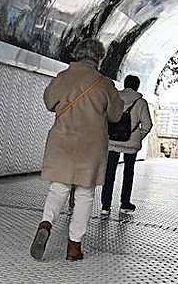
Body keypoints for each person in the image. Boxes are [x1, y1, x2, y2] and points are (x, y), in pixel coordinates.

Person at [31, 39, 124, 261]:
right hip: (91, 145)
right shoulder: (104, 84)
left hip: (62, 141)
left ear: (76, 54)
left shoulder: (63, 77)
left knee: (58, 188)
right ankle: (74, 246)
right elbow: (115, 115)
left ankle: (46, 223)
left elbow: (49, 102)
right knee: (84, 194)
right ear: (99, 58)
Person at [102, 74, 153, 214]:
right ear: (137, 86)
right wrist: (137, 137)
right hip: (131, 145)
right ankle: (125, 204)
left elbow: (105, 117)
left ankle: (105, 206)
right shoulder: (141, 102)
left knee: (109, 173)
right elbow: (147, 125)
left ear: (125, 84)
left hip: (112, 141)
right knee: (128, 173)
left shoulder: (114, 98)